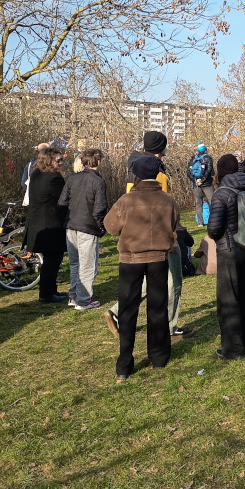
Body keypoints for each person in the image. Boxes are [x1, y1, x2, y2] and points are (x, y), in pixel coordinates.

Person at [104, 156, 180, 381]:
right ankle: (158, 357)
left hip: (130, 260)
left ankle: (124, 366)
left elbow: (110, 226)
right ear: (157, 174)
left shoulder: (126, 201)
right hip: (159, 258)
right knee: (158, 309)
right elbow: (175, 224)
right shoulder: (168, 200)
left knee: (128, 312)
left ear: (135, 174)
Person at [208, 154, 245, 360]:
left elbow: (214, 229)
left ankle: (232, 349)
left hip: (229, 249)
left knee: (228, 300)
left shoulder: (221, 194)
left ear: (219, 171)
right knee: (244, 294)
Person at [58, 148, 108, 310]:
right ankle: (84, 300)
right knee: (87, 265)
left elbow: (62, 203)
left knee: (75, 264)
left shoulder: (72, 178)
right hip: (87, 226)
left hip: (71, 225)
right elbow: (100, 208)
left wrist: (64, 221)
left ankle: (74, 295)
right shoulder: (98, 181)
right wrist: (101, 226)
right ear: (98, 162)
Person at [25, 146, 69, 304]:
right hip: (50, 223)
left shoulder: (36, 173)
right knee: (52, 260)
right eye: (58, 160)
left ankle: (51, 290)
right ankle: (46, 294)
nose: (61, 163)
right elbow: (64, 199)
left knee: (50, 260)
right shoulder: (54, 178)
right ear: (49, 161)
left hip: (37, 222)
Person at [186, 142, 215, 226]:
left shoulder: (193, 159)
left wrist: (196, 180)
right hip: (207, 184)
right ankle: (213, 221)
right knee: (212, 202)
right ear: (205, 150)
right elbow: (209, 170)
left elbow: (188, 171)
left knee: (198, 203)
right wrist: (202, 180)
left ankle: (200, 222)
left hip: (196, 185)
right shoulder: (208, 158)